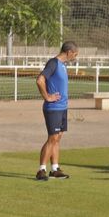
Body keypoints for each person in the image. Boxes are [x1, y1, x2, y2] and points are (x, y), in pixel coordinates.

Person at [36, 41, 80, 181]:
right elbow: (40, 80)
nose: (75, 57)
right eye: (75, 54)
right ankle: (41, 170)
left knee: (57, 138)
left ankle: (55, 169)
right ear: (69, 52)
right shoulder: (53, 63)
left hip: (62, 108)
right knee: (52, 138)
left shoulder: (63, 65)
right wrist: (47, 96)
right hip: (53, 108)